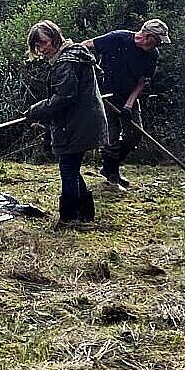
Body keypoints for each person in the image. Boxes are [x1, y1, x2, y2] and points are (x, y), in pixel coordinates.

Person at [25, 19, 106, 226]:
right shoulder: (73, 55)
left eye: (43, 43)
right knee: (70, 167)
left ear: (55, 38)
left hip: (77, 123)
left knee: (68, 168)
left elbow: (64, 97)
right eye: (36, 45)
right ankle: (85, 214)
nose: (41, 49)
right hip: (80, 121)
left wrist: (36, 110)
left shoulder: (67, 62)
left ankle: (70, 217)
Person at [83, 18, 170, 189]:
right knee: (111, 137)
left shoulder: (152, 54)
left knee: (135, 135)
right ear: (147, 36)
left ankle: (110, 168)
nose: (158, 44)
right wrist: (89, 71)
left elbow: (141, 81)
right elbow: (86, 45)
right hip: (105, 95)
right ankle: (112, 176)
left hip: (128, 96)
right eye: (157, 40)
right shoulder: (118, 38)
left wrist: (129, 105)